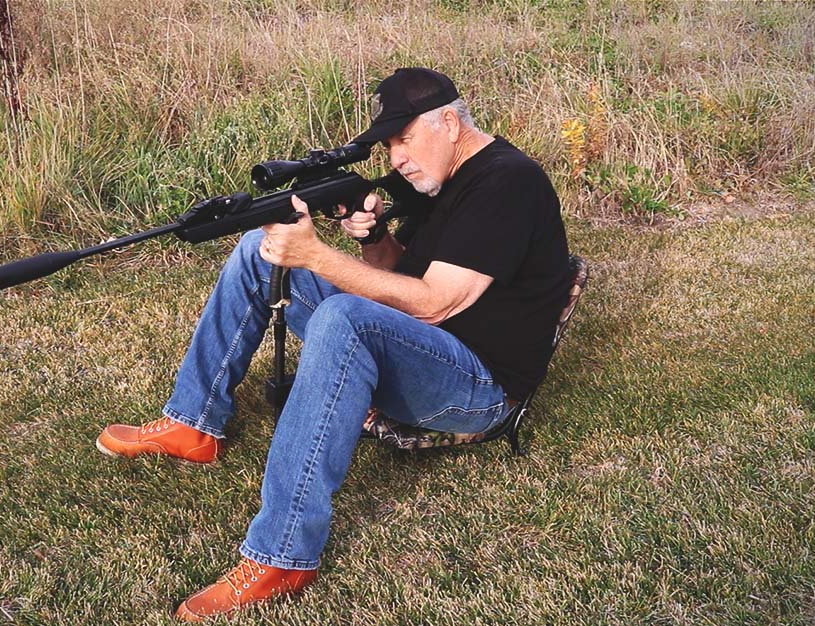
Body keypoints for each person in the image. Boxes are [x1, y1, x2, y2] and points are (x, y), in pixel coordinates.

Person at [96, 67, 572, 621]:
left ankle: (284, 555)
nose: (396, 158)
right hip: (422, 346)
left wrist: (318, 256)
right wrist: (373, 239)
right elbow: (402, 277)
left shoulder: (508, 182)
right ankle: (193, 423)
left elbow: (436, 303)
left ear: (448, 121)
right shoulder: (440, 179)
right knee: (258, 248)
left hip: (476, 388)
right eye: (389, 144)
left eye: (403, 139)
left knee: (346, 316)